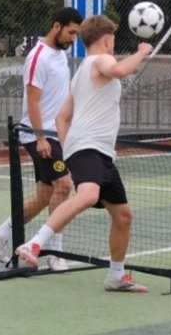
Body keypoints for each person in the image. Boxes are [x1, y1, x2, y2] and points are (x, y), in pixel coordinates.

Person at [15, 15, 154, 293]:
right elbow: (121, 71)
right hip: (89, 146)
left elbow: (62, 117)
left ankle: (116, 275)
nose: (113, 43)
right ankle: (35, 243)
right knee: (88, 195)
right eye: (112, 39)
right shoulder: (100, 61)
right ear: (106, 39)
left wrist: (67, 152)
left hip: (100, 152)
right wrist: (141, 52)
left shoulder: (80, 74)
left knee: (124, 215)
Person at [0, 7, 83, 271]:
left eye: (77, 34)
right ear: (56, 26)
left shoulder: (61, 53)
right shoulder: (38, 57)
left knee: (44, 195)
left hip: (56, 135)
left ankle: (0, 235)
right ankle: (54, 252)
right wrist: (40, 138)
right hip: (40, 137)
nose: (74, 38)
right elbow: (33, 100)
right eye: (71, 32)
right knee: (63, 185)